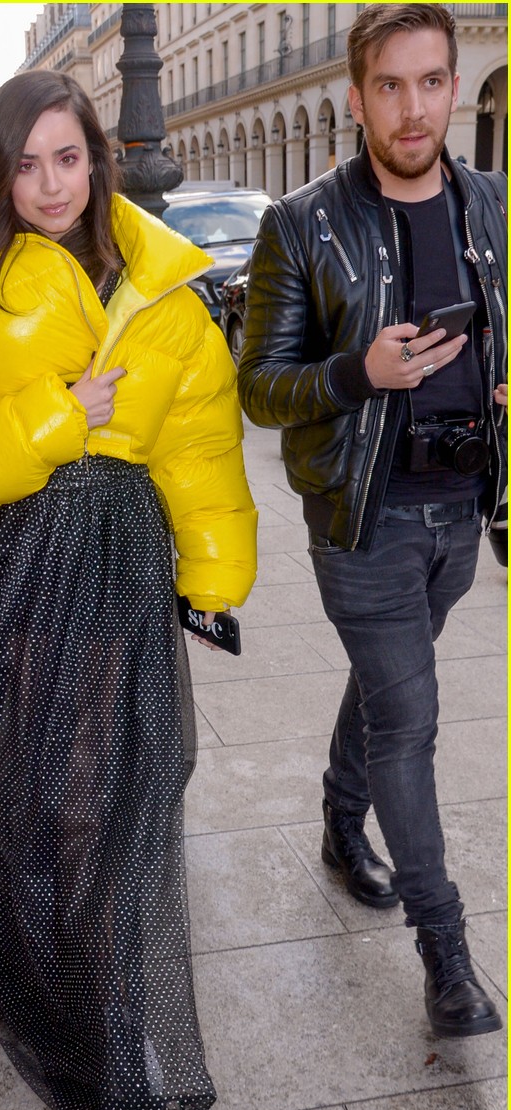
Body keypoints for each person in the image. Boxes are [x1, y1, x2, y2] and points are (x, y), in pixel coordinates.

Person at [0, 69, 257, 1110]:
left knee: (117, 779)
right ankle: (69, 988)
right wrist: (53, 413)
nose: (49, 183)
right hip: (26, 553)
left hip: (125, 558)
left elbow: (202, 443)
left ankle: (104, 1002)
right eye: (25, 162)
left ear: (99, 157)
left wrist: (213, 577)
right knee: (45, 776)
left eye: (68, 157)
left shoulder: (167, 286)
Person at [238, 3, 506, 1039]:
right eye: (389, 86)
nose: (412, 107)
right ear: (356, 98)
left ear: (454, 86)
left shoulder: (491, 205)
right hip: (364, 515)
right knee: (411, 717)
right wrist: (361, 372)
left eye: (431, 82)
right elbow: (260, 386)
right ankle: (448, 956)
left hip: (462, 513)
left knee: (388, 691)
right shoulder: (301, 222)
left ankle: (342, 816)